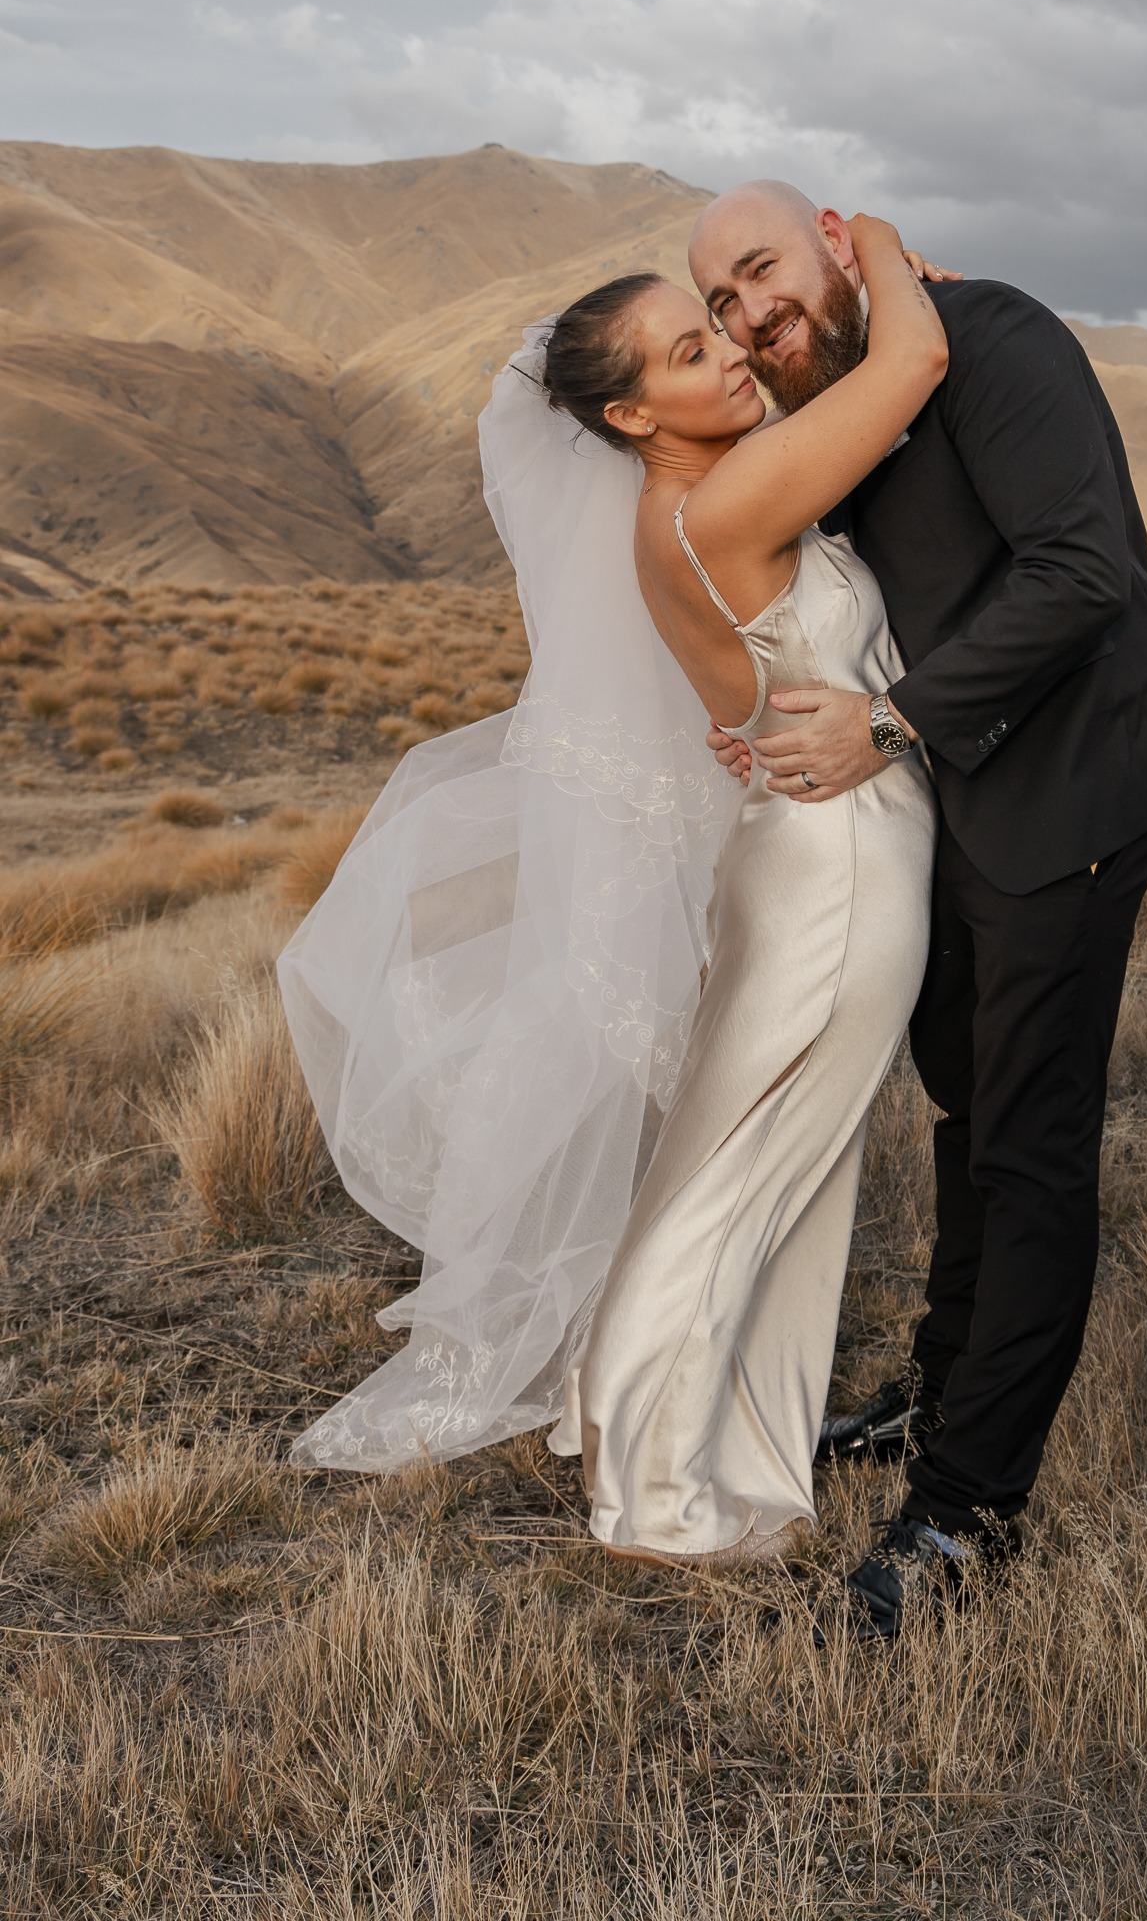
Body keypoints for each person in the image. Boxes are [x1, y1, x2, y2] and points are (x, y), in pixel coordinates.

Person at [281, 215, 946, 1567]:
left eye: (721, 332)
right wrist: (861, 238)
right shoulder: (722, 505)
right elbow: (917, 356)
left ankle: (721, 1449)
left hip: (821, 847)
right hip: (844, 870)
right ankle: (655, 1489)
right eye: (695, 349)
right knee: (730, 1183)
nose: (731, 358)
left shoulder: (707, 496)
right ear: (637, 413)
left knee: (776, 1177)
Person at [689, 181, 1147, 1638]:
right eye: (722, 301)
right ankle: (944, 1392)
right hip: (954, 811)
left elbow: (1085, 573)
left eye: (762, 269)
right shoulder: (838, 410)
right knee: (969, 1110)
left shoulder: (998, 337)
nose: (747, 310)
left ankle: (969, 1507)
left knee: (1030, 1143)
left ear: (836, 243)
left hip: (1074, 799)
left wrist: (893, 723)